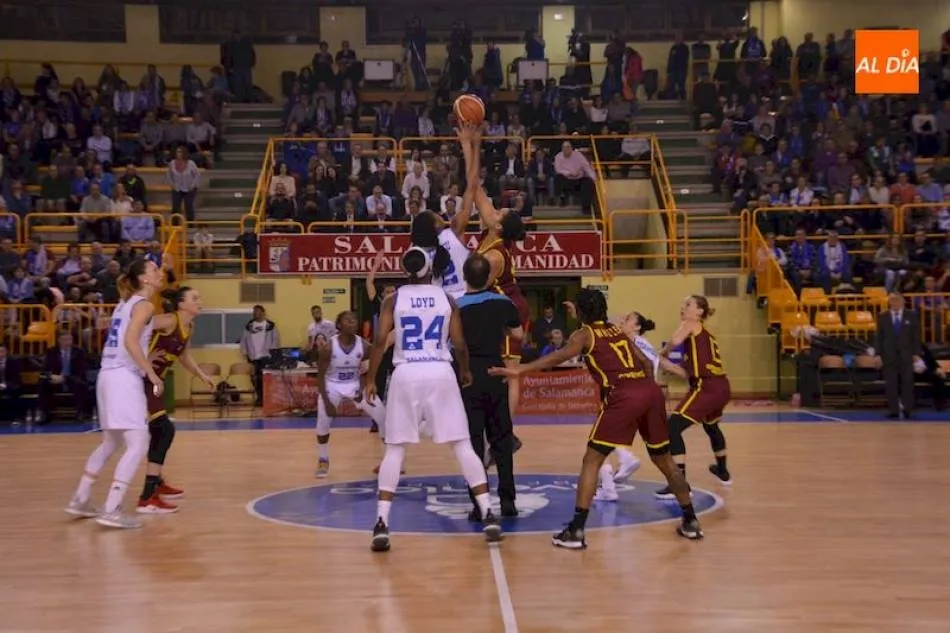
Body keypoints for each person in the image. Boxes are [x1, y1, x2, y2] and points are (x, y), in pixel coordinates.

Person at [489, 288, 702, 548]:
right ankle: (690, 520)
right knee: (664, 459)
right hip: (650, 392)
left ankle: (576, 530)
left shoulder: (584, 334)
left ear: (581, 312)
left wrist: (521, 369)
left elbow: (560, 355)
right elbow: (646, 364)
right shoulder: (617, 331)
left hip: (623, 395)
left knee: (592, 460)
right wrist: (643, 391)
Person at [365, 247, 502, 552]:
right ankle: (488, 513)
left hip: (406, 372)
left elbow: (379, 341)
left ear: (405, 270)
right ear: (429, 269)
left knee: (395, 450)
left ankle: (382, 523)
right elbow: (460, 343)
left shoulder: (393, 299)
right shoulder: (447, 298)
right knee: (463, 445)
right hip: (440, 371)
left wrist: (371, 378)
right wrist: (465, 370)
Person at [65, 258, 164, 529]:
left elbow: (132, 337)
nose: (160, 273)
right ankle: (112, 508)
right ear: (144, 278)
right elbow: (131, 341)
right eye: (154, 270)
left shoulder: (125, 303)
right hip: (123, 378)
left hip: (107, 376)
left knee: (111, 442)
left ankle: (81, 498)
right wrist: (151, 373)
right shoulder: (144, 305)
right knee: (138, 443)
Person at [459, 122, 529, 444]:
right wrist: (471, 143)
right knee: (499, 370)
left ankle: (506, 433)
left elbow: (477, 288)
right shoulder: (492, 229)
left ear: (499, 226)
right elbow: (474, 187)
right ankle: (498, 429)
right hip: (499, 301)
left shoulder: (495, 256)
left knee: (509, 372)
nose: (496, 210)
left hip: (510, 305)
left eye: (500, 213)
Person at [137, 286, 216, 514]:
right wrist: (145, 355)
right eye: (195, 298)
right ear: (182, 304)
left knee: (159, 432)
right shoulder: (168, 320)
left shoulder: (188, 327)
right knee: (164, 430)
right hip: (141, 381)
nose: (200, 301)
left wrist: (201, 375)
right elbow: (132, 329)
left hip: (155, 383)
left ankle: (156, 483)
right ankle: (147, 497)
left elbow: (183, 355)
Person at [456, 253, 524, 519]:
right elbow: (518, 333)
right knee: (502, 438)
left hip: (468, 374)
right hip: (496, 371)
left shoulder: (456, 305)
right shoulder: (503, 302)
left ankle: (478, 504)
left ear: (464, 276)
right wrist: (500, 330)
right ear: (488, 277)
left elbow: (454, 341)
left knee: (473, 441)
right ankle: (508, 501)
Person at [655, 295, 732, 500]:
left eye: (688, 304)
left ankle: (679, 484)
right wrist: (661, 361)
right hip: (721, 387)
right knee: (711, 427)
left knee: (672, 427)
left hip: (706, 387)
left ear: (699, 311)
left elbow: (674, 341)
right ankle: (722, 470)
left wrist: (663, 352)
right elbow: (684, 373)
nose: (683, 307)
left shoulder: (691, 324)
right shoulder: (702, 338)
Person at [314, 310, 387, 478]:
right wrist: (327, 402)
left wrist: (364, 385)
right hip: (332, 385)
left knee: (383, 416)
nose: (352, 322)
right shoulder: (329, 347)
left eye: (354, 320)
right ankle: (323, 459)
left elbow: (372, 363)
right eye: (347, 320)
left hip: (354, 384)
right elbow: (320, 377)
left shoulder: (364, 345)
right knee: (323, 422)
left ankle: (388, 460)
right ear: (339, 325)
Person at [874, 292, 921, 419]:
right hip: (889, 355)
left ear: (902, 301)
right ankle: (893, 410)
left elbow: (916, 337)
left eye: (897, 300)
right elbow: (878, 337)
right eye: (892, 300)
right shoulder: (883, 316)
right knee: (891, 384)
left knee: (908, 383)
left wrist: (916, 354)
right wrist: (878, 354)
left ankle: (908, 410)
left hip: (907, 355)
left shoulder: (911, 316)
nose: (894, 303)